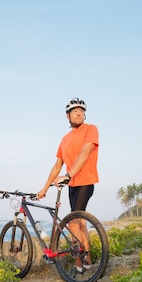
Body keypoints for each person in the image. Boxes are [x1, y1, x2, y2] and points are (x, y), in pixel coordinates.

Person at [37, 97, 99, 272]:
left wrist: (68, 174)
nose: (79, 113)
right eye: (75, 111)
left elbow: (86, 153)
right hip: (72, 184)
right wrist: (44, 188)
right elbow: (57, 165)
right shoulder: (64, 139)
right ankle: (87, 259)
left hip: (85, 181)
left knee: (73, 222)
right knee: (79, 222)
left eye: (82, 111)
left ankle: (79, 260)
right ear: (68, 116)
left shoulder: (91, 129)